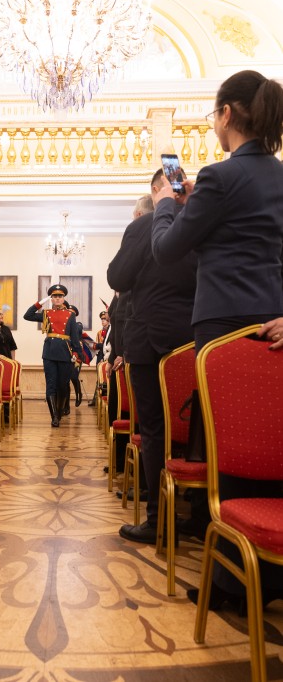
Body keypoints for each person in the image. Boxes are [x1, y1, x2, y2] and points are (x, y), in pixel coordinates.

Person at [151, 70, 283, 610]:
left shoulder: (218, 177)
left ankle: (231, 581)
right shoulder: (278, 176)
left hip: (223, 321)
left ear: (227, 113)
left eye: (213, 115)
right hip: (273, 322)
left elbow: (167, 250)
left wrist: (166, 202)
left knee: (224, 448)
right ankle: (270, 571)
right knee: (271, 442)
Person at [107, 167, 197, 545]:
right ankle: (199, 513)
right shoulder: (200, 221)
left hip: (148, 341)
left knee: (154, 429)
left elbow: (117, 277)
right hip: (193, 340)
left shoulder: (143, 227)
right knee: (198, 426)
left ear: (156, 190)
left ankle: (159, 518)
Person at [24, 284, 82, 427]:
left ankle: (60, 410)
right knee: (51, 385)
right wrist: (40, 302)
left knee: (62, 386)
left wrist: (76, 353)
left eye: (60, 296)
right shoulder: (47, 313)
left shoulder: (70, 315)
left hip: (65, 353)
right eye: (54, 296)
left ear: (63, 298)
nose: (57, 298)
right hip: (49, 353)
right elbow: (28, 315)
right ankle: (54, 417)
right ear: (51, 298)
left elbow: (74, 337)